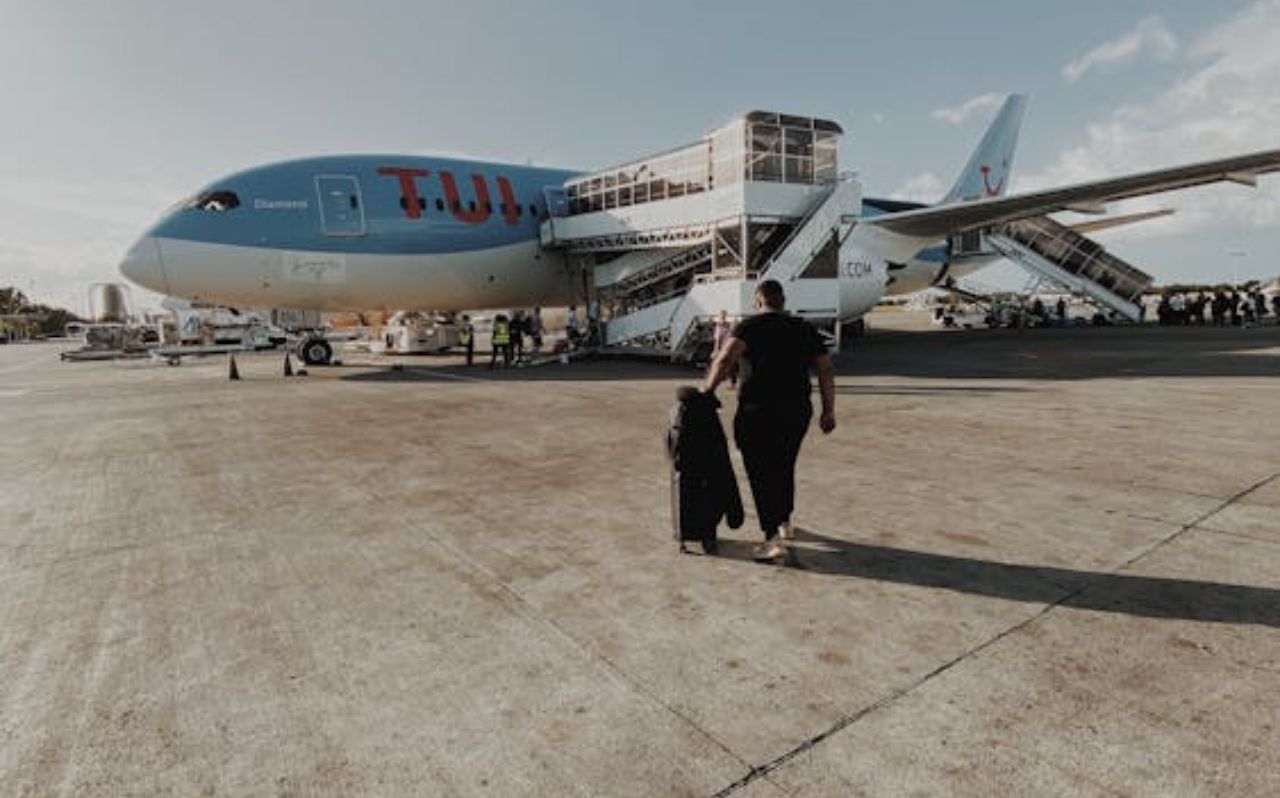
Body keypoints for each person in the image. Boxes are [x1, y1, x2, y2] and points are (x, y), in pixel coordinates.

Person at [702, 280, 836, 561]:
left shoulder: (749, 327)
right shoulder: (804, 328)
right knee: (784, 465)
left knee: (761, 472)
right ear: (782, 300)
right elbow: (825, 370)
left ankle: (771, 536)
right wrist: (828, 410)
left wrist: (707, 391)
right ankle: (785, 521)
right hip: (796, 411)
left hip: (758, 412)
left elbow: (725, 359)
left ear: (758, 301)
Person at [711, 309, 736, 388]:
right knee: (720, 364)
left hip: (727, 347)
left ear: (725, 316)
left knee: (729, 364)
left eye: (723, 315)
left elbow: (730, 336)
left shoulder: (728, 325)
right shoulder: (717, 326)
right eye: (721, 315)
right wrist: (715, 349)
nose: (722, 317)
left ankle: (731, 382)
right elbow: (716, 339)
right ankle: (724, 380)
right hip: (720, 347)